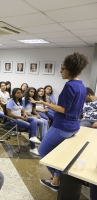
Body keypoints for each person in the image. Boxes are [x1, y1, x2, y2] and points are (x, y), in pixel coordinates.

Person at [30, 52, 88, 191]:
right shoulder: (82, 86)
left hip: (62, 126)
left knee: (43, 151)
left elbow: (63, 109)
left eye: (63, 69)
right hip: (73, 126)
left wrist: (44, 102)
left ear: (70, 69)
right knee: (60, 154)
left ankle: (57, 179)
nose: (60, 71)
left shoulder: (70, 86)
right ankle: (56, 181)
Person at [6, 88, 41, 155]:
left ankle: (33, 136)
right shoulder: (11, 101)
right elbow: (9, 114)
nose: (20, 94)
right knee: (31, 126)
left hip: (20, 118)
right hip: (13, 120)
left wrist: (24, 113)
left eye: (20, 93)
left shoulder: (18, 101)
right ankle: (33, 148)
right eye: (18, 93)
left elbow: (22, 109)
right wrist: (20, 117)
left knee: (34, 119)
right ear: (14, 94)